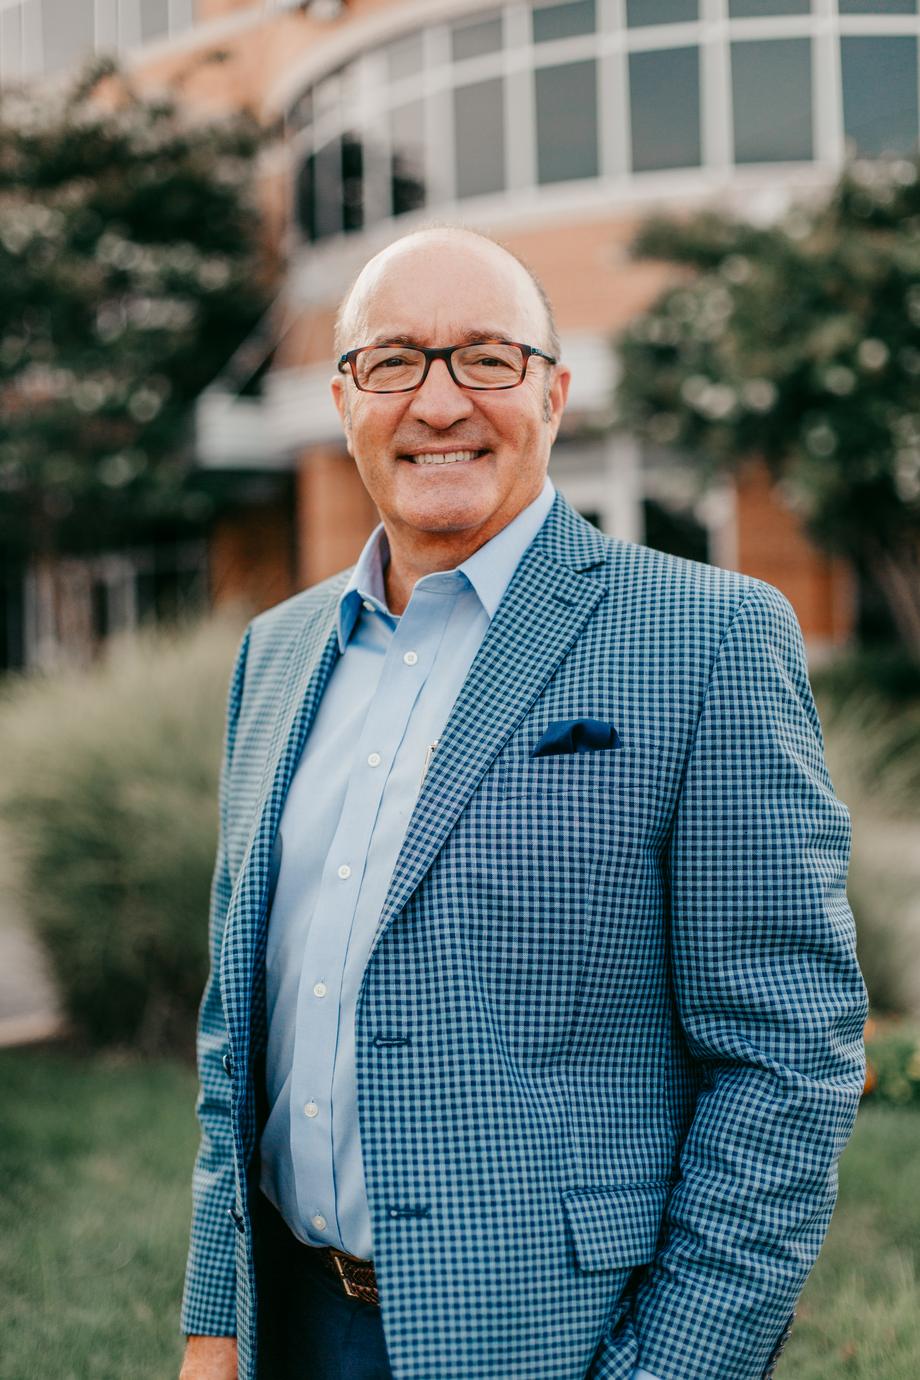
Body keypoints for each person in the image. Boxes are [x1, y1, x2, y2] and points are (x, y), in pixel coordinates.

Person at [178, 225, 867, 1380]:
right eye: (394, 361)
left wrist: (673, 1369)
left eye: (485, 358)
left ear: (552, 391)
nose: (438, 402)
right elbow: (233, 1033)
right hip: (288, 1324)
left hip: (553, 1341)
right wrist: (214, 1324)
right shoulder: (276, 654)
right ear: (345, 399)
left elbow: (784, 1060)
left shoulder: (704, 638)